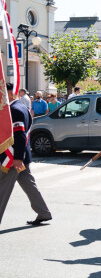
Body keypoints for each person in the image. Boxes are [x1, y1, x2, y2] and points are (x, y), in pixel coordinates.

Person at [1, 83, 52, 226]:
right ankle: (43, 212)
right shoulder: (21, 107)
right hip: (21, 156)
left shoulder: (14, 110)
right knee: (29, 185)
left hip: (13, 158)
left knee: (1, 187)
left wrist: (17, 158)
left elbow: (20, 136)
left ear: (10, 94)